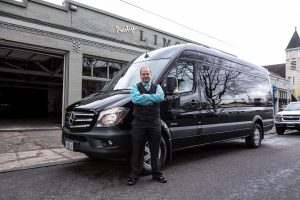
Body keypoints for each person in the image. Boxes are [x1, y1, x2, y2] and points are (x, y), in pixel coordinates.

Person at [127, 66, 168, 186]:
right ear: (141, 76)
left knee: (155, 150)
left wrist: (145, 96)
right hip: (139, 122)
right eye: (143, 74)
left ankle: (157, 174)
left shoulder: (157, 87)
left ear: (151, 74)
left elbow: (160, 97)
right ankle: (134, 175)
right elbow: (135, 99)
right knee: (137, 150)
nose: (145, 76)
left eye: (147, 74)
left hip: (154, 122)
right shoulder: (135, 87)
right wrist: (152, 99)